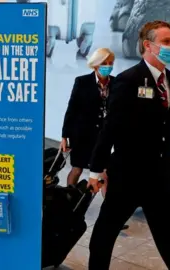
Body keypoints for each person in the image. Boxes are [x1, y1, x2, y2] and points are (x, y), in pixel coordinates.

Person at [86, 20, 170, 270]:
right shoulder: (128, 80)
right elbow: (109, 129)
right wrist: (95, 171)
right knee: (104, 235)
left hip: (159, 177)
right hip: (127, 175)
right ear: (148, 45)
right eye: (166, 42)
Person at [61, 48, 129, 230]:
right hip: (82, 134)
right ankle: (70, 201)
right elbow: (72, 110)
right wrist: (64, 136)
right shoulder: (82, 82)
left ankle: (110, 214)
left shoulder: (116, 83)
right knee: (77, 169)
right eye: (104, 63)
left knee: (105, 174)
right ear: (95, 63)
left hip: (104, 137)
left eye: (110, 63)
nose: (107, 67)